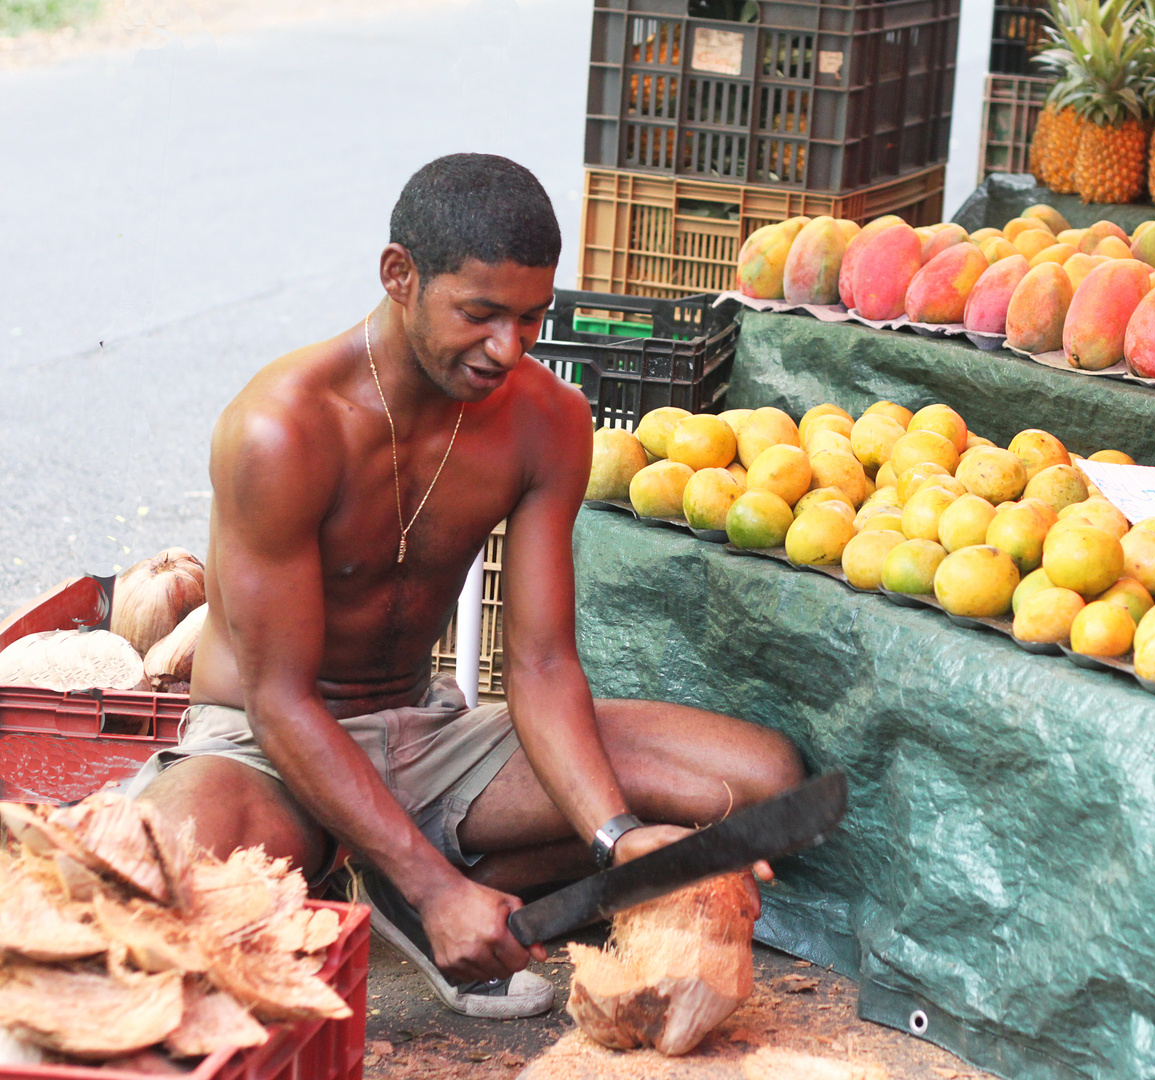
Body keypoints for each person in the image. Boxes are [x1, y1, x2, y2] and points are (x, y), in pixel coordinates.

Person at [128, 153, 804, 1019]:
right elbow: (279, 701)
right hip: (267, 747)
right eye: (480, 314)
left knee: (759, 783)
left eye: (531, 318)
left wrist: (617, 836)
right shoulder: (281, 429)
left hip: (426, 735)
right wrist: (432, 878)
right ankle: (418, 884)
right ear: (398, 275)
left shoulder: (546, 419)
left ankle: (416, 885)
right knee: (159, 891)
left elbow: (542, 665)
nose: (507, 348)